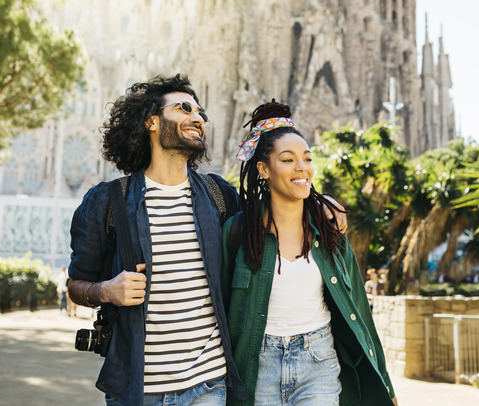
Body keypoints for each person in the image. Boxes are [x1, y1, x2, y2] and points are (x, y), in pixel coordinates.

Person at [66, 74, 346, 406]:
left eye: (201, 113)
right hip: (138, 389)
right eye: (184, 108)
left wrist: (320, 203)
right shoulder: (107, 203)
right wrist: (105, 290)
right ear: (151, 121)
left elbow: (277, 213)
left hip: (210, 387)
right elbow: (76, 285)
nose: (197, 118)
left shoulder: (219, 197)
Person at [222, 100, 397, 405]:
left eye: (307, 158)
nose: (302, 167)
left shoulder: (330, 231)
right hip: (258, 366)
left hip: (318, 362)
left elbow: (359, 309)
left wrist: (386, 385)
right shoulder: (239, 232)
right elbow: (221, 308)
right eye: (288, 159)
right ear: (263, 169)